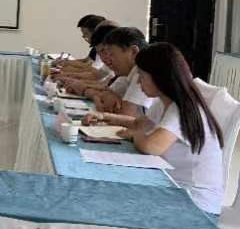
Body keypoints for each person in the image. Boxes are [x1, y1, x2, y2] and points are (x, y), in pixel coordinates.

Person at [84, 43, 224, 216]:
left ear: (160, 77)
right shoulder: (165, 101)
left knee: (110, 201)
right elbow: (139, 123)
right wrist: (105, 117)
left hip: (195, 204)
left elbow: (150, 146)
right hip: (173, 186)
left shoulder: (181, 109)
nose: (138, 82)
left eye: (142, 76)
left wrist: (134, 136)